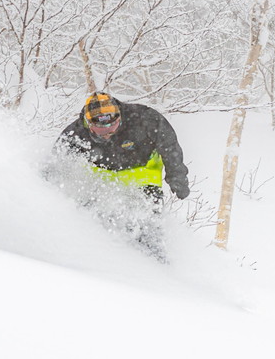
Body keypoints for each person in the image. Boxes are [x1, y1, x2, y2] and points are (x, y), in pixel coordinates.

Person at [52, 92, 190, 259]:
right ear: (88, 124)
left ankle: (156, 266)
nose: (107, 133)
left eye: (112, 127)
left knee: (146, 228)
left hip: (144, 179)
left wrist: (176, 176)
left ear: (119, 117)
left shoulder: (144, 118)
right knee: (100, 225)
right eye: (100, 129)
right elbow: (56, 162)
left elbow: (169, 145)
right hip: (104, 184)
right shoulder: (76, 133)